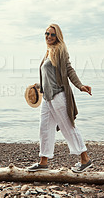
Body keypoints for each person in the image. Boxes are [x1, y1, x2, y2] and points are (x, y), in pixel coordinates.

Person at [28, 24, 93, 173]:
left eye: (52, 34)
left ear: (57, 36)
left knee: (68, 127)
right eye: (47, 34)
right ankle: (43, 162)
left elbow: (69, 69)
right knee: (44, 128)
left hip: (58, 95)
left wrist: (80, 85)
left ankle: (85, 159)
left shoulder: (60, 50)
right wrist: (39, 86)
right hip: (47, 98)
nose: (49, 37)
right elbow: (49, 76)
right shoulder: (47, 52)